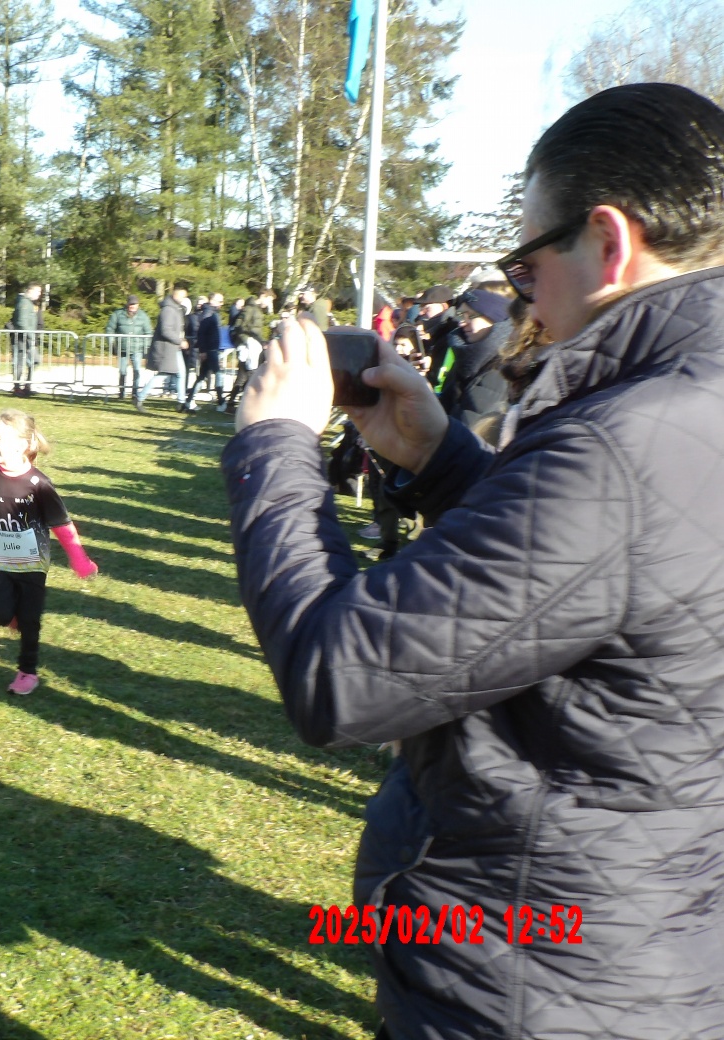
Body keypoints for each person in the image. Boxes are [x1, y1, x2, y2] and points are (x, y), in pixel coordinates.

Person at [224, 82, 724, 1037]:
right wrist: (445, 460)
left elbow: (342, 679)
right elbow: (624, 593)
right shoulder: (679, 414)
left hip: (537, 973)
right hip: (656, 929)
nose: (523, 289)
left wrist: (275, 445)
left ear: (609, 243)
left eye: (528, 260)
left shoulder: (628, 440)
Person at [0, 409, 97, 695]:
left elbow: (63, 526)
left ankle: (27, 672)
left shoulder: (40, 485)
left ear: (23, 445)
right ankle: (12, 615)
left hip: (33, 564)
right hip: (0, 560)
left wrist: (80, 561)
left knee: (30, 621)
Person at [439, 288, 512, 437]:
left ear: (494, 319)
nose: (462, 323)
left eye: (471, 316)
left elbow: (468, 432)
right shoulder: (469, 359)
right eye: (461, 315)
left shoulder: (500, 369)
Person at [136, 286, 189, 412]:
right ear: (175, 295)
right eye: (182, 296)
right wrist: (179, 341)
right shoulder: (169, 310)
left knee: (181, 374)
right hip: (167, 348)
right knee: (163, 374)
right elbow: (166, 331)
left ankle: (181, 403)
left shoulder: (174, 308)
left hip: (173, 348)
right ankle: (139, 397)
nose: (184, 299)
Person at [185, 292, 228, 412]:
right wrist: (203, 351)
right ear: (212, 301)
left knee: (202, 377)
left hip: (210, 349)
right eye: (220, 301)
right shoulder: (209, 313)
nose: (222, 304)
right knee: (218, 374)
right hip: (210, 350)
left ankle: (189, 401)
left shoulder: (211, 313)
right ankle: (221, 402)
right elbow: (201, 333)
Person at [105, 294, 153, 401]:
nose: (132, 306)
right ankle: (121, 393)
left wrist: (147, 348)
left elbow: (148, 332)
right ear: (127, 304)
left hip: (137, 349)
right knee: (122, 372)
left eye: (134, 304)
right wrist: (112, 344)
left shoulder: (143, 316)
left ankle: (135, 393)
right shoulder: (117, 314)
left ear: (138, 304)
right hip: (122, 348)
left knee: (137, 371)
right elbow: (110, 329)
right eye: (130, 303)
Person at [10, 284, 41, 397]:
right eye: (37, 291)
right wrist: (30, 336)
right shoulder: (24, 302)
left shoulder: (29, 303)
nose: (39, 294)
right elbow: (21, 323)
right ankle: (17, 387)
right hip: (22, 338)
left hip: (27, 338)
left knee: (34, 361)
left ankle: (27, 385)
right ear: (30, 290)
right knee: (19, 363)